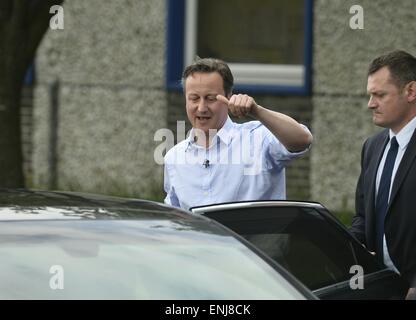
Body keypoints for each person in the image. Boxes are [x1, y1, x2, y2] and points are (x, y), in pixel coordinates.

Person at [163, 57, 312, 210]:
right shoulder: (173, 158)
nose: (201, 108)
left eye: (211, 98)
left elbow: (303, 140)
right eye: (194, 98)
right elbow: (175, 221)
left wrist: (257, 111)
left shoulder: (258, 139)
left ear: (228, 96)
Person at [350, 50, 416, 299]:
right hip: (379, 287)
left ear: (411, 91)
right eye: (370, 95)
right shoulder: (372, 147)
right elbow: (362, 217)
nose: (370, 103)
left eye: (379, 95)